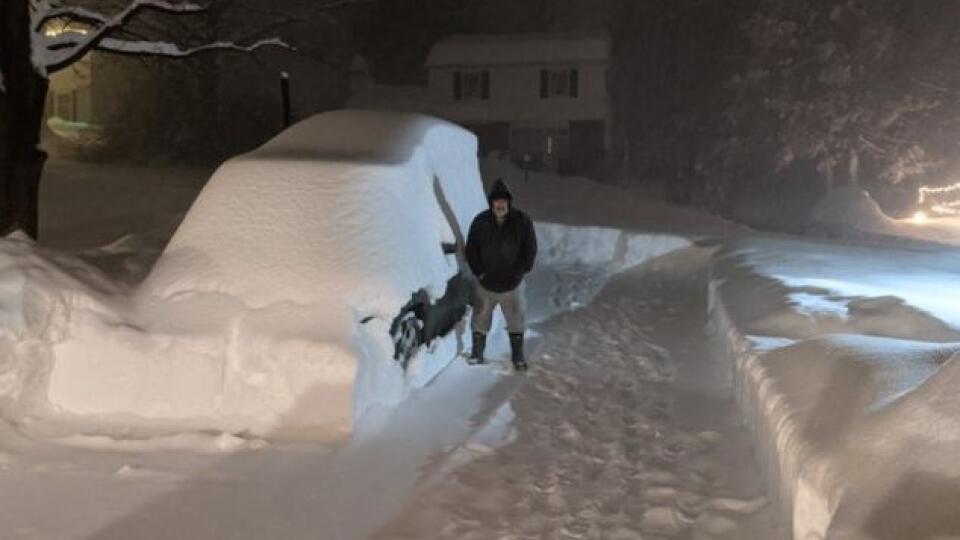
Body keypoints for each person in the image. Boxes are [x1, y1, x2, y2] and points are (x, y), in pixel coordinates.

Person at [465, 178, 538, 370]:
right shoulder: (480, 222)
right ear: (491, 203)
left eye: (504, 201)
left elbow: (530, 249)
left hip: (512, 284)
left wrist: (519, 272)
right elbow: (471, 249)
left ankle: (518, 357)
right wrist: (479, 272)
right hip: (486, 283)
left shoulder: (522, 221)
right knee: (480, 319)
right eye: (497, 202)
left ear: (509, 202)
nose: (500, 205)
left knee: (516, 320)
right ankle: (477, 354)